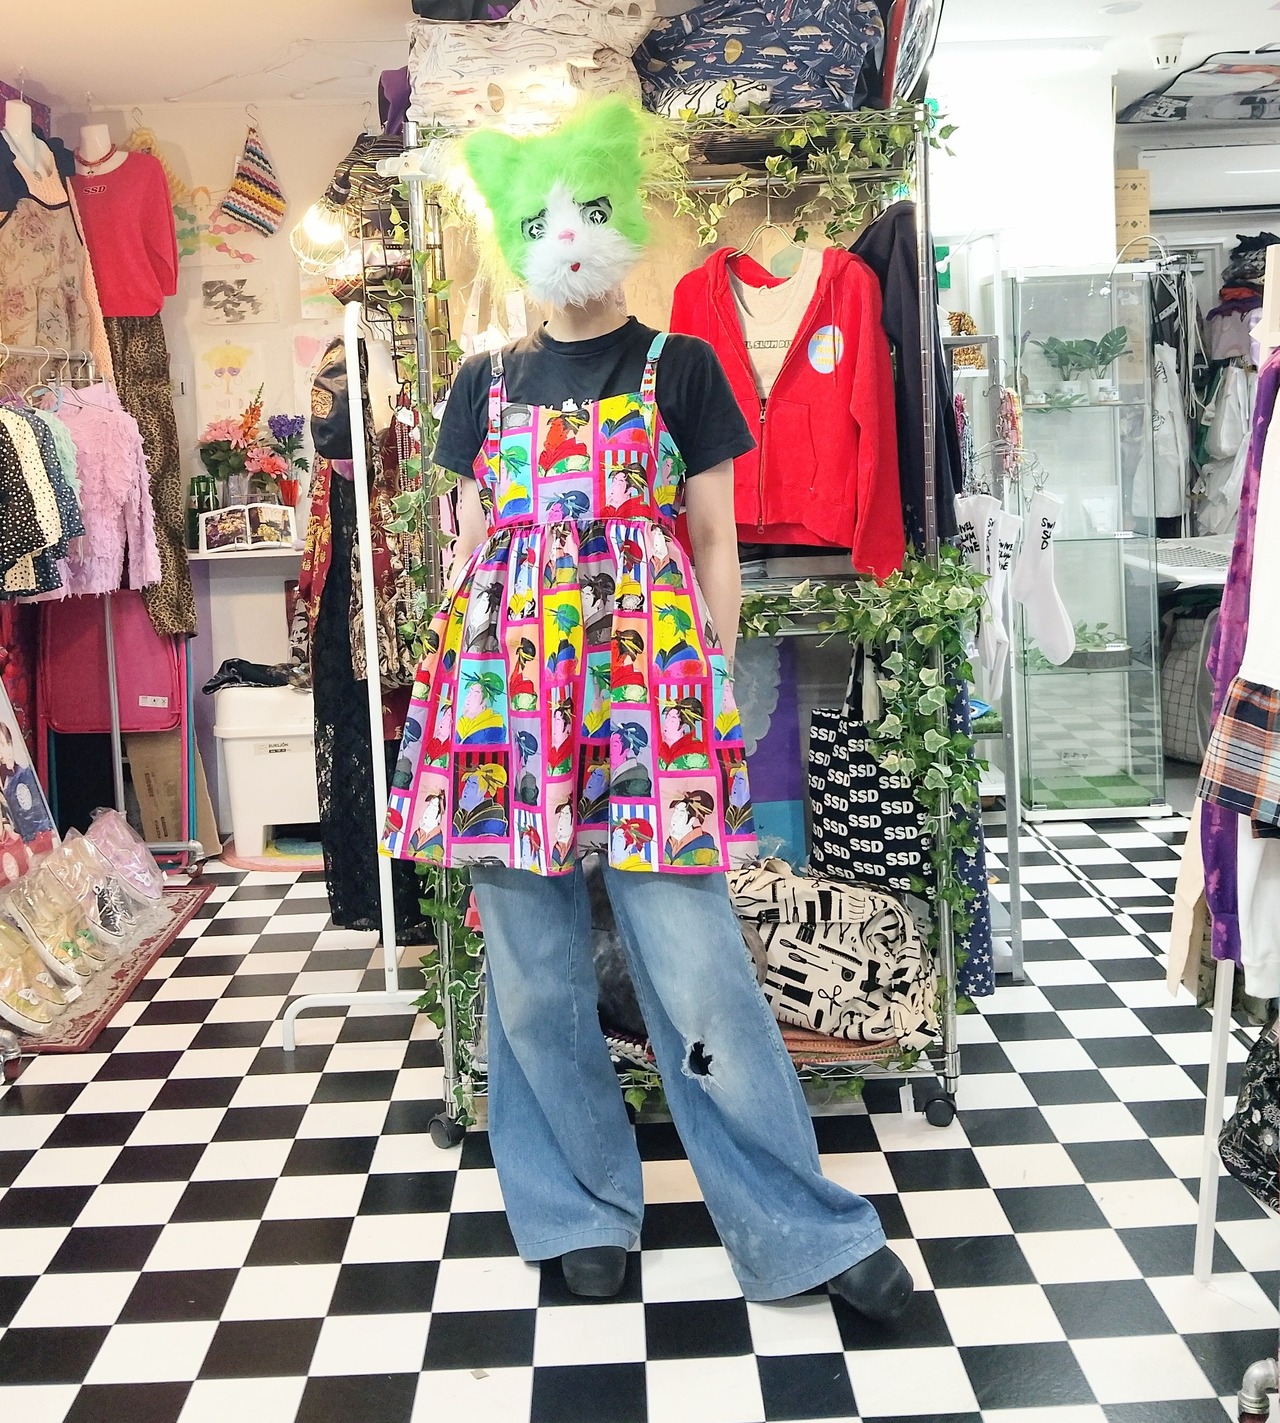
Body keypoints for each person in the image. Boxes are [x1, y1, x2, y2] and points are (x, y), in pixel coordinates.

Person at [383, 98, 912, 1321]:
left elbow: (714, 542)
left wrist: (708, 682)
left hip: (649, 698)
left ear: (616, 218)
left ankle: (793, 1222)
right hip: (504, 706)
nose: (565, 238)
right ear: (519, 239)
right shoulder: (481, 383)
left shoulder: (683, 366)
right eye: (540, 220)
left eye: (584, 211)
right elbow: (471, 547)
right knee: (532, 976)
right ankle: (577, 1203)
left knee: (699, 969)